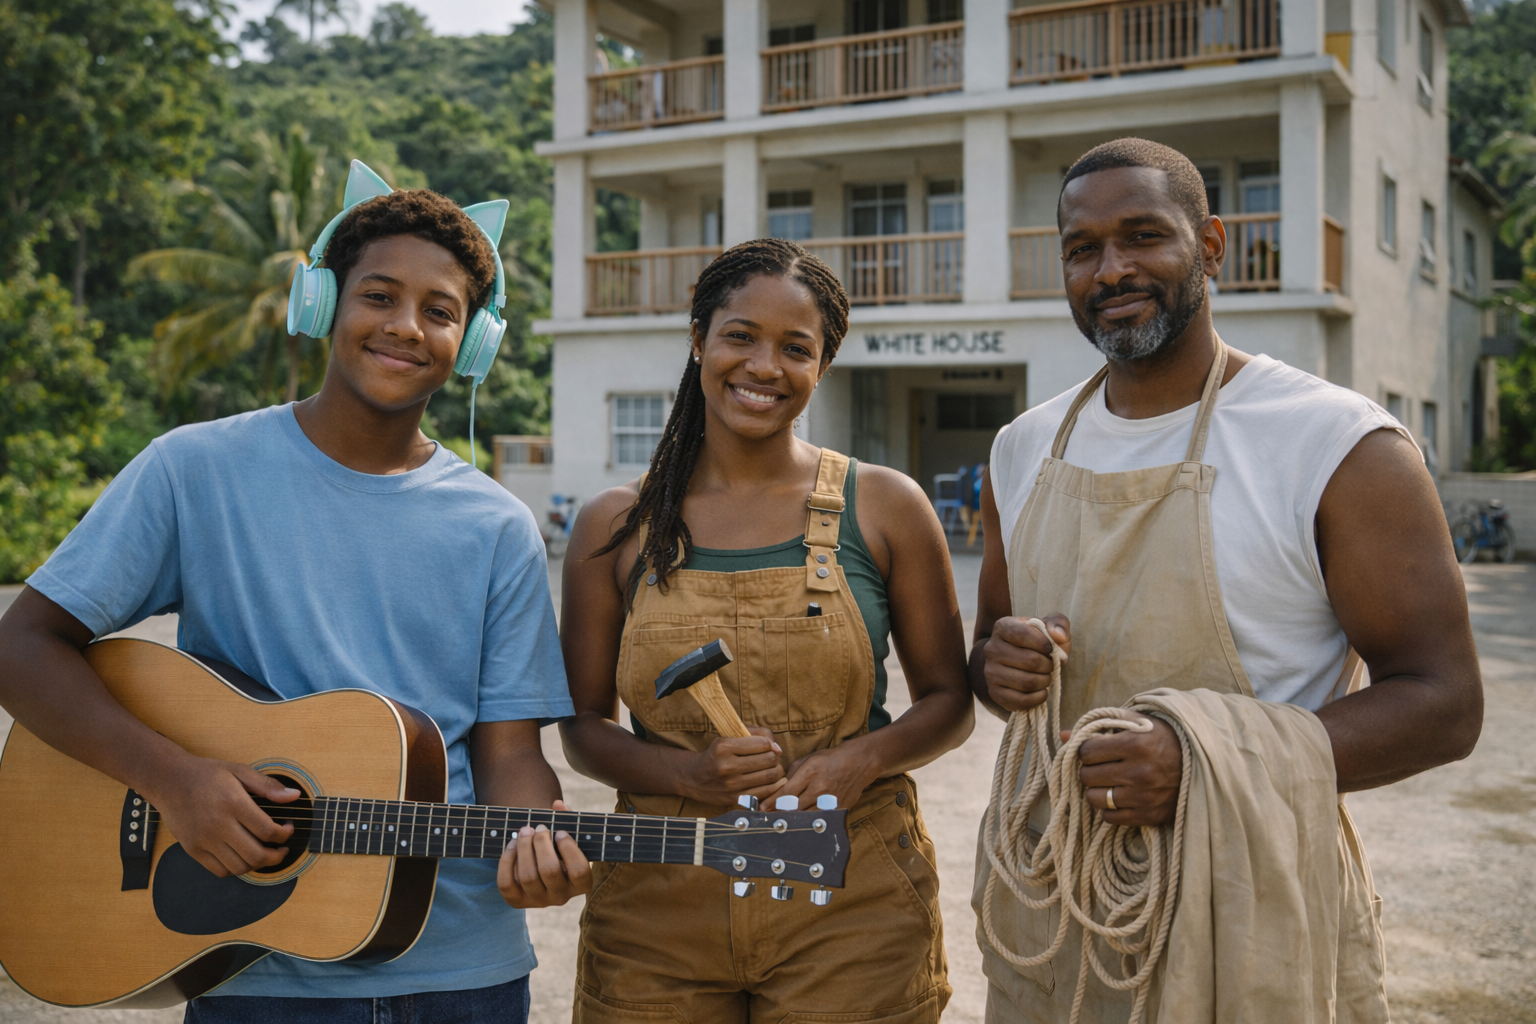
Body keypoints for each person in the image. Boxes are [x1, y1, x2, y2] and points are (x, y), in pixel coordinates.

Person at [0, 178, 590, 1022]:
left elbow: (509, 756)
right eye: (378, 296)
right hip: (252, 974)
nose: (405, 326)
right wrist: (174, 781)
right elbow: (21, 648)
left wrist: (541, 843)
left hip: (463, 976)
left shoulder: (498, 526)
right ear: (320, 302)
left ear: (472, 344)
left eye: (440, 311)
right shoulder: (193, 470)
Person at [969, 139, 1482, 1022]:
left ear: (1210, 247)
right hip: (1053, 910)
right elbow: (984, 656)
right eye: (1082, 249)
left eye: (1143, 236)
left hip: (1250, 904)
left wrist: (1200, 765)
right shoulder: (1023, 448)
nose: (1111, 269)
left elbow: (1445, 704)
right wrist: (996, 666)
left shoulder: (1337, 445)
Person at [559, 238, 974, 1022]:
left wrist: (860, 759)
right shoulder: (614, 525)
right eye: (740, 336)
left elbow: (950, 701)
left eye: (796, 348)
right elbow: (582, 726)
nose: (764, 367)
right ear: (698, 340)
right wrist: (688, 776)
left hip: (850, 901)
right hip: (657, 907)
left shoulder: (886, 506)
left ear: (824, 365)